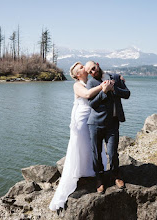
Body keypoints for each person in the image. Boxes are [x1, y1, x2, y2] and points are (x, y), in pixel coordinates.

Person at [49, 62, 111, 211]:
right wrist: (103, 86)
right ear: (77, 74)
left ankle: (93, 170)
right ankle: (82, 171)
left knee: (93, 145)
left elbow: (107, 77)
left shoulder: (90, 81)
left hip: (92, 116)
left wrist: (115, 80)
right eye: (82, 68)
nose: (85, 68)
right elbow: (88, 95)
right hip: (82, 118)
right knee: (82, 144)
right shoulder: (77, 85)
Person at [85, 61, 130, 194]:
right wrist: (103, 91)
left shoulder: (115, 77)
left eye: (93, 68)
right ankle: (99, 178)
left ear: (97, 65)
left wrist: (114, 89)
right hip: (95, 124)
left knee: (112, 152)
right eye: (90, 72)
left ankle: (116, 175)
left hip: (113, 123)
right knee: (96, 153)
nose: (93, 72)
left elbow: (127, 94)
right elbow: (92, 104)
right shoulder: (91, 83)